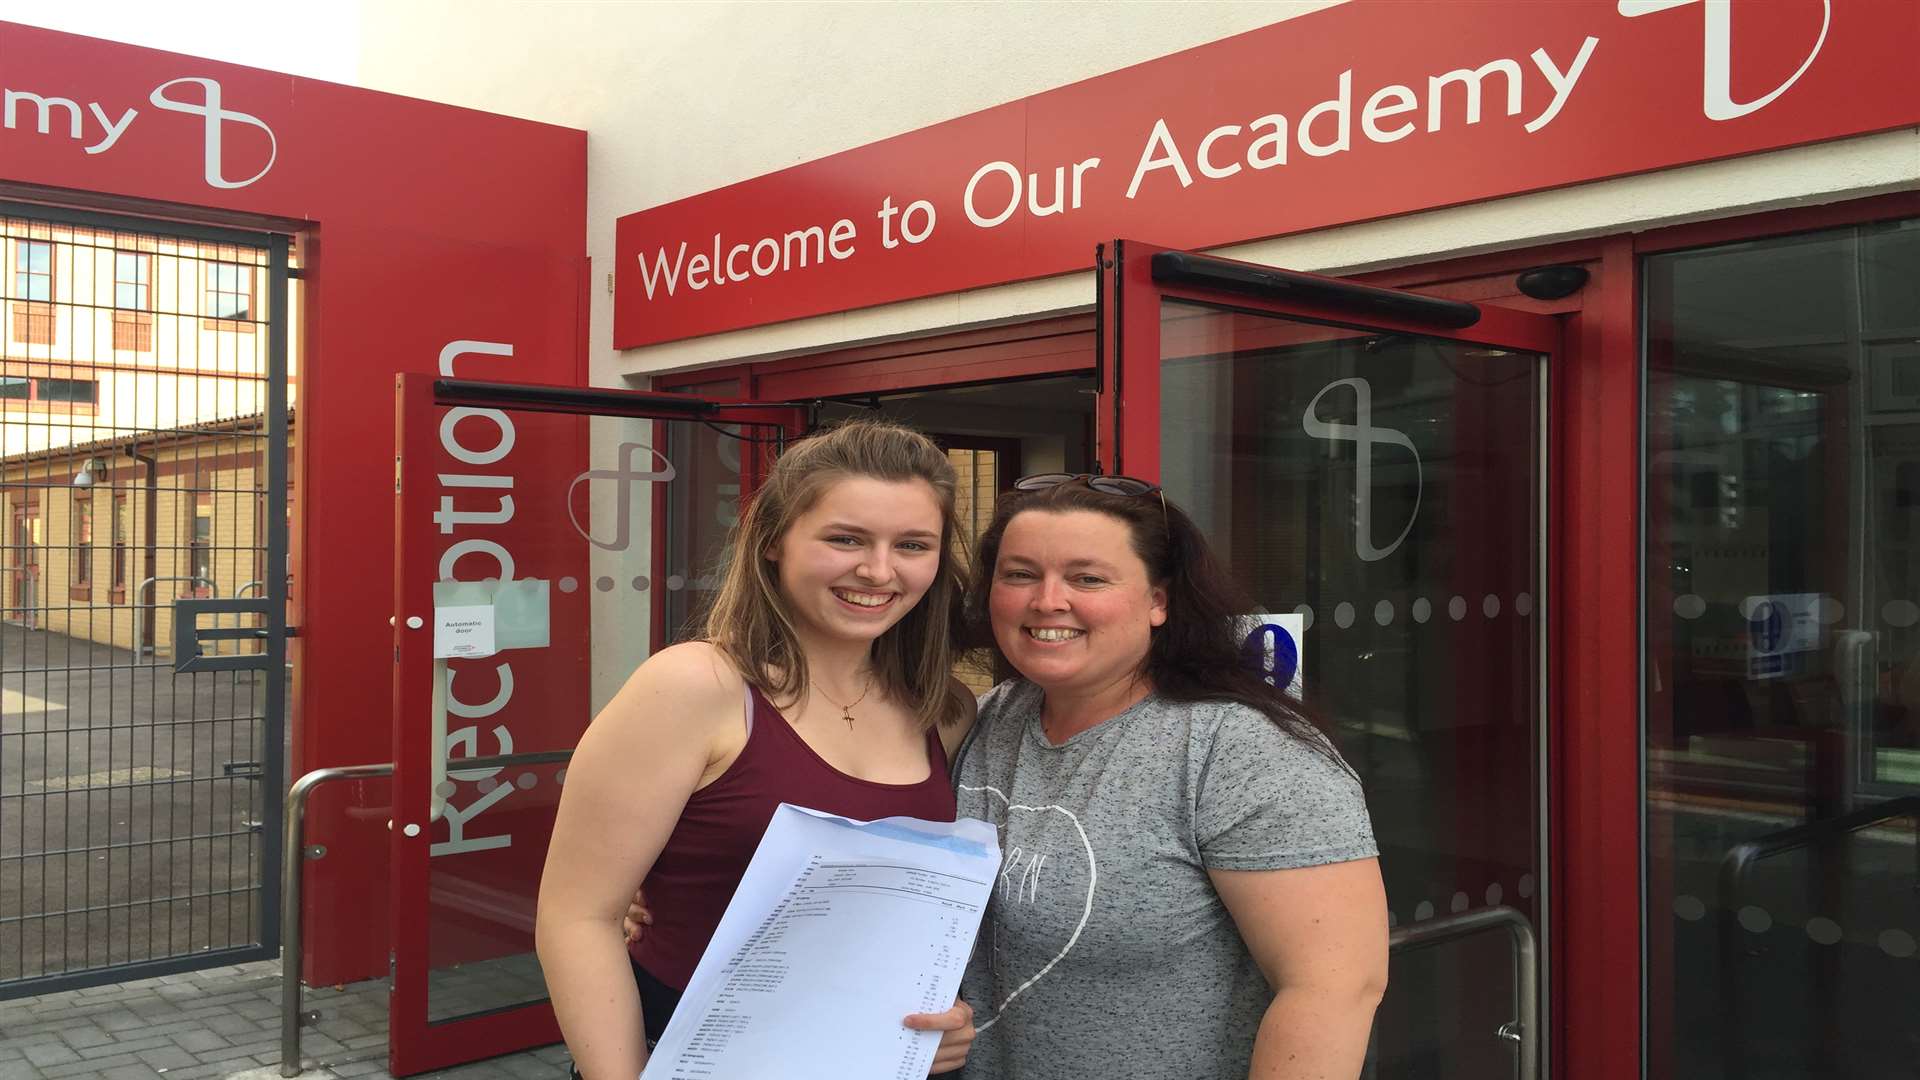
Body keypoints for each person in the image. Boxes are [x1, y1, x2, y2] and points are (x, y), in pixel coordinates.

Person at [536, 418, 979, 1080]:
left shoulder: (942, 711)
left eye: (912, 544)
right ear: (774, 542)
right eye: (845, 538)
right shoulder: (695, 687)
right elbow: (577, 918)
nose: (879, 570)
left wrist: (940, 1025)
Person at [949, 473, 1388, 1080]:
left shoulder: (1240, 752)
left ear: (1159, 600)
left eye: (1087, 578)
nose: (1047, 601)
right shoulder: (994, 716)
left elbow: (1335, 988)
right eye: (1020, 574)